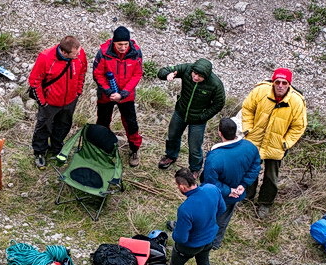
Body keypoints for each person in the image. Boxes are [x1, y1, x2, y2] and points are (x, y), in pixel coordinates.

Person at [153, 168, 225, 265]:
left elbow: (181, 238)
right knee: (204, 264)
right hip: (209, 238)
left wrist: (175, 231)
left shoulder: (186, 209)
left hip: (190, 246)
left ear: (182, 187)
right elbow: (221, 209)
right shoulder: (211, 189)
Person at [241, 67, 307, 219]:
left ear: (289, 84)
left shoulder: (296, 101)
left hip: (276, 146)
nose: (280, 85)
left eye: (284, 82)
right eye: (277, 82)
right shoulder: (260, 91)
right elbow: (247, 109)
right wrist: (248, 130)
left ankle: (265, 203)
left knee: (271, 176)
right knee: (251, 170)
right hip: (255, 140)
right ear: (273, 81)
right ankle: (246, 196)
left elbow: (299, 126)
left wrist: (285, 143)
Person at [156, 59, 225, 178]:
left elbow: (219, 103)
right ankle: (170, 156)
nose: (196, 77)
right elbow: (162, 71)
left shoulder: (215, 84)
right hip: (180, 112)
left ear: (207, 76)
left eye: (200, 76)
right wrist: (168, 74)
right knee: (172, 136)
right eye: (195, 74)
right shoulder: (187, 69)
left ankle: (195, 168)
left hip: (198, 120)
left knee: (194, 146)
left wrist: (203, 116)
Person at [201, 118, 261, 250]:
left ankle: (197, 235)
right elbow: (255, 166)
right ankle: (215, 243)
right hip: (234, 195)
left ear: (219, 133)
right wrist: (243, 185)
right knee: (223, 219)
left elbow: (211, 182)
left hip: (216, 195)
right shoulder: (250, 147)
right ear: (235, 131)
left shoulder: (215, 157)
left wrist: (229, 190)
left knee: (203, 213)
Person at [29, 36, 87, 169]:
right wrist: (43, 102)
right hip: (50, 102)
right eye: (75, 53)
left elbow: (82, 72)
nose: (79, 55)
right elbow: (34, 81)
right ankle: (39, 152)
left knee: (64, 125)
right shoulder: (45, 57)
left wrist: (78, 91)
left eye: (79, 51)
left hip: (70, 100)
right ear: (65, 53)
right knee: (44, 127)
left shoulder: (80, 53)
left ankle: (57, 148)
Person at [92, 26, 144, 167]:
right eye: (120, 44)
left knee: (131, 123)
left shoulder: (136, 52)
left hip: (126, 96)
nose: (123, 47)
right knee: (102, 121)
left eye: (125, 44)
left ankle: (134, 149)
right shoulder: (103, 52)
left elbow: (137, 74)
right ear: (113, 42)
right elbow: (97, 74)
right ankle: (101, 146)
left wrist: (124, 93)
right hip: (106, 95)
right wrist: (109, 92)